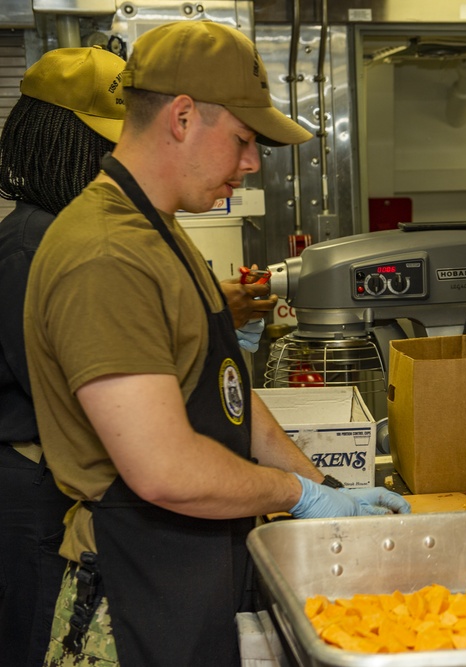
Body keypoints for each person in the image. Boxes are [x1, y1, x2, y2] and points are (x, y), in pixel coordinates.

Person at [22, 21, 409, 667]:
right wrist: (296, 496)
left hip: (193, 565)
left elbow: (228, 393)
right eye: (243, 139)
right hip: (133, 585)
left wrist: (320, 488)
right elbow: (163, 468)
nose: (253, 162)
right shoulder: (105, 254)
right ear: (180, 117)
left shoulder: (164, 235)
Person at [0, 46, 126, 667]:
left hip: (52, 480)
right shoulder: (32, 246)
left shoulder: (60, 234)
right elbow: (67, 387)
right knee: (31, 642)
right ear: (63, 142)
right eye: (106, 145)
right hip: (32, 488)